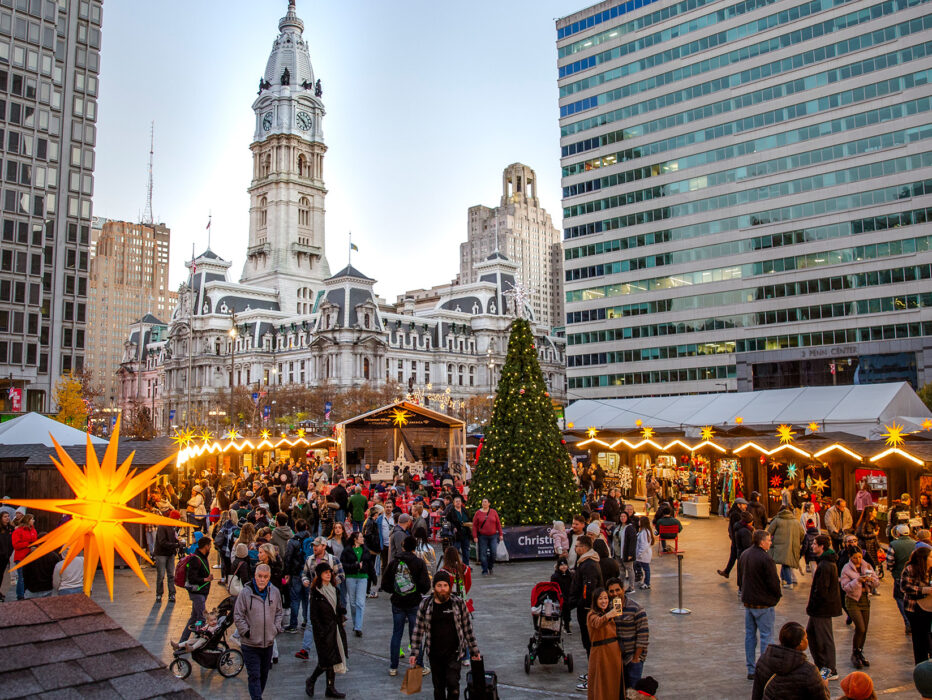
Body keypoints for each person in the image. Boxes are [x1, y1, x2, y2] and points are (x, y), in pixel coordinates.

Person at [409, 569, 481, 700]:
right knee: (439, 688)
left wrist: (475, 651)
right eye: (439, 586)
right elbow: (418, 630)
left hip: (454, 653)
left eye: (445, 585)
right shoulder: (426, 605)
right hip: (435, 654)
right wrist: (414, 653)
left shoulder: (458, 603)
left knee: (453, 685)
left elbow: (467, 629)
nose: (442, 589)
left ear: (449, 587)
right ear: (434, 587)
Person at [382, 535, 431, 676]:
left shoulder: (394, 562)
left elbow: (385, 583)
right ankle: (419, 664)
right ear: (415, 547)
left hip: (398, 601)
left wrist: (395, 591)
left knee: (396, 633)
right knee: (415, 635)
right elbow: (425, 585)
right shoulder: (418, 563)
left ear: (403, 546)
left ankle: (393, 666)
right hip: (414, 602)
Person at [234, 563, 284, 700]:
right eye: (259, 576)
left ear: (269, 578)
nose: (262, 580)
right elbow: (238, 615)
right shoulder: (245, 593)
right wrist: (246, 631)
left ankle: (257, 696)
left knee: (263, 675)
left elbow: (279, 612)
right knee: (254, 675)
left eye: (265, 577)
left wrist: (275, 628)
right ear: (255, 576)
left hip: (268, 643)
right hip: (250, 644)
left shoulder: (274, 592)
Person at [740, 530, 782, 679]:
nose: (770, 543)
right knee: (766, 637)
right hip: (763, 604)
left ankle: (751, 668)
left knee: (750, 636)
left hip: (749, 601)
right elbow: (773, 582)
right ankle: (764, 669)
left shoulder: (745, 554)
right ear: (762, 542)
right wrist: (777, 596)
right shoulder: (766, 559)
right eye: (769, 540)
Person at [751, 621, 829, 700]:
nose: (807, 640)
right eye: (805, 637)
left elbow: (756, 695)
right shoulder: (809, 671)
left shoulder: (763, 661)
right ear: (801, 643)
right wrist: (824, 686)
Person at [305, 562, 348, 698]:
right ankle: (311, 680)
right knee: (325, 661)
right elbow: (313, 616)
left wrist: (340, 610)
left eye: (330, 572)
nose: (329, 574)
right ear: (319, 575)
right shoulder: (316, 592)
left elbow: (335, 606)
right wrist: (321, 632)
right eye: (325, 573)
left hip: (335, 628)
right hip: (323, 631)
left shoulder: (334, 589)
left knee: (332, 659)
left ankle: (330, 688)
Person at [806, 534, 842, 680]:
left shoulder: (826, 565)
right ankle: (822, 666)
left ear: (822, 547)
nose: (812, 546)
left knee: (824, 638)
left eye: (815, 544)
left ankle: (830, 669)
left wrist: (815, 605)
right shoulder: (825, 563)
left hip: (821, 609)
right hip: (818, 609)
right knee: (812, 635)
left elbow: (822, 590)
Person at [571, 535, 603, 690]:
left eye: (577, 546)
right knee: (588, 644)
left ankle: (594, 677)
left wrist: (581, 605)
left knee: (590, 643)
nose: (575, 548)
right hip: (586, 608)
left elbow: (587, 590)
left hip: (587, 610)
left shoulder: (588, 565)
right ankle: (592, 672)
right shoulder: (586, 562)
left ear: (583, 548)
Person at [839, 547, 879, 669]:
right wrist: (857, 580)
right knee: (860, 628)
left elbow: (876, 581)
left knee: (865, 629)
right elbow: (845, 586)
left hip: (865, 599)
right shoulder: (846, 569)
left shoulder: (866, 566)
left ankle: (859, 652)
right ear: (850, 557)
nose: (858, 559)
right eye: (855, 557)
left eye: (860, 557)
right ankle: (855, 653)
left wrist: (870, 580)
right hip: (852, 600)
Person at [606, 577, 649, 690]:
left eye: (617, 590)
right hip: (617, 658)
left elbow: (643, 636)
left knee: (632, 691)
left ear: (623, 590)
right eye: (611, 591)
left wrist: (636, 658)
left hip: (632, 658)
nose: (615, 593)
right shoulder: (608, 608)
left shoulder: (636, 609)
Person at [585, 587, 623, 700]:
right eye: (600, 598)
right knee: (601, 684)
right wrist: (609, 615)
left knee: (613, 684)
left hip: (613, 654)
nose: (604, 601)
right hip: (601, 655)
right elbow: (597, 623)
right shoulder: (592, 615)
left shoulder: (606, 612)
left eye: (606, 598)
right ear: (595, 600)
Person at [179, 536, 213, 645]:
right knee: (201, 618)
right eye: (210, 545)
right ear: (206, 546)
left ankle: (182, 642)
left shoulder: (202, 557)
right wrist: (205, 579)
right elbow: (192, 577)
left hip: (201, 592)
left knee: (194, 618)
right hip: (197, 593)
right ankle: (198, 641)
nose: (211, 547)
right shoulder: (196, 558)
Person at [902, 546, 932, 663]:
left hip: (929, 607)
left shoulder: (930, 570)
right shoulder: (910, 569)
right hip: (915, 608)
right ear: (923, 559)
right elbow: (905, 587)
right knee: (919, 638)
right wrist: (925, 590)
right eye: (930, 556)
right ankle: (921, 666)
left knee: (927, 637)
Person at [340, 530, 373, 637]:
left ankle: (358, 627)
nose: (362, 539)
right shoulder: (347, 551)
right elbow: (343, 565)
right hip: (351, 577)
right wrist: (355, 566)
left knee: (360, 602)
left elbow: (369, 564)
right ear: (355, 539)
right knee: (353, 603)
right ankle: (356, 624)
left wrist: (372, 575)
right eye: (360, 537)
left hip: (363, 577)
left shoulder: (365, 550)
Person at [887, 523, 917, 634]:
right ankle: (912, 621)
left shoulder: (894, 544)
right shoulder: (915, 544)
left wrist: (891, 569)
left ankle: (907, 621)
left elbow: (890, 561)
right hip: (913, 575)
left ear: (898, 533)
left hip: (899, 575)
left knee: (899, 597)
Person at [284, 519, 312, 633]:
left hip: (296, 573)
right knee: (306, 598)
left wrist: (286, 573)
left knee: (295, 599)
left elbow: (288, 558)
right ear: (306, 527)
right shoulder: (310, 540)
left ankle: (293, 624)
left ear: (295, 528)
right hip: (308, 572)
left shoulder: (292, 541)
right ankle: (306, 620)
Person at [767, 505, 805, 588]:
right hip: (792, 545)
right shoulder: (795, 521)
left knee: (785, 563)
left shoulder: (777, 520)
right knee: (785, 562)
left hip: (779, 545)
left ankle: (789, 582)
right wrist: (798, 542)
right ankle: (783, 579)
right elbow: (802, 534)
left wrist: (770, 542)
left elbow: (769, 532)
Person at [717, 498, 748, 579]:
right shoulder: (736, 514)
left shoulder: (737, 513)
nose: (746, 506)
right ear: (739, 505)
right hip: (737, 539)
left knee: (733, 556)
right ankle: (738, 577)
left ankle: (726, 572)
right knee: (738, 557)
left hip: (736, 538)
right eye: (744, 504)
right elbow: (737, 527)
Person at [472, 498, 503, 576]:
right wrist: (475, 536)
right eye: (483, 502)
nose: (484, 503)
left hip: (493, 536)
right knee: (483, 554)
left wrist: (500, 534)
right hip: (482, 536)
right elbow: (474, 526)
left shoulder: (493, 512)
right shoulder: (478, 513)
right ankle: (484, 570)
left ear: (489, 503)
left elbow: (498, 524)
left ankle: (490, 566)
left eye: (486, 502)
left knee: (493, 553)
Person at [12, 513, 37, 600]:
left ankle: (26, 593)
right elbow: (16, 545)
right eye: (32, 519)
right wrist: (28, 544)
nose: (33, 521)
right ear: (27, 520)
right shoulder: (18, 531)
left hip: (30, 556)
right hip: (21, 557)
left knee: (29, 576)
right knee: (21, 577)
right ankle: (20, 595)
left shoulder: (33, 530)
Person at [612, 511, 637, 593]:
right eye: (621, 516)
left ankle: (631, 587)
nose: (622, 518)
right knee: (621, 570)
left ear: (627, 518)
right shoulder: (618, 526)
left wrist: (631, 553)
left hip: (626, 553)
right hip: (618, 552)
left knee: (629, 569)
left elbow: (632, 541)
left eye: (624, 516)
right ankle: (621, 586)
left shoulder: (630, 528)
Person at [445, 496, 472, 566]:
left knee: (466, 551)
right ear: (454, 503)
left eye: (459, 501)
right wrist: (453, 527)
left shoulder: (465, 510)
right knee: (455, 550)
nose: (458, 503)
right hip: (457, 535)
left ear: (461, 502)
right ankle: (454, 565)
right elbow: (447, 521)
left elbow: (469, 519)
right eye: (456, 501)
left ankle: (466, 566)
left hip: (466, 533)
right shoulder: (451, 512)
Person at [855, 506, 881, 578]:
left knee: (873, 563)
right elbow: (860, 534)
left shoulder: (874, 522)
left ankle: (872, 577)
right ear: (870, 513)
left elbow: (876, 537)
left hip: (873, 546)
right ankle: (868, 578)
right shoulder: (863, 523)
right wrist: (873, 534)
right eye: (874, 511)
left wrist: (879, 547)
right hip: (866, 546)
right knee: (867, 563)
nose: (876, 512)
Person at [551, 556, 573, 634]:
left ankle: (566, 625)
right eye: (562, 565)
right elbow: (553, 588)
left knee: (567, 610)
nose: (564, 567)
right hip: (559, 596)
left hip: (568, 596)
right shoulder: (555, 576)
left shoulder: (569, 575)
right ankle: (559, 626)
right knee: (560, 611)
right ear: (558, 566)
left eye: (565, 565)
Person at [635, 516, 653, 590]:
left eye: (640, 521)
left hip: (643, 555)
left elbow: (644, 545)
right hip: (643, 554)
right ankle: (645, 581)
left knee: (646, 569)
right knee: (643, 567)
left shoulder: (644, 532)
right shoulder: (643, 531)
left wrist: (639, 554)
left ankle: (647, 583)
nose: (638, 522)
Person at [0, 511, 13, 602]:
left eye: (8, 516)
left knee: (1, 574)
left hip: (6, 555)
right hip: (0, 554)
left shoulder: (10, 528)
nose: (7, 518)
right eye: (5, 516)